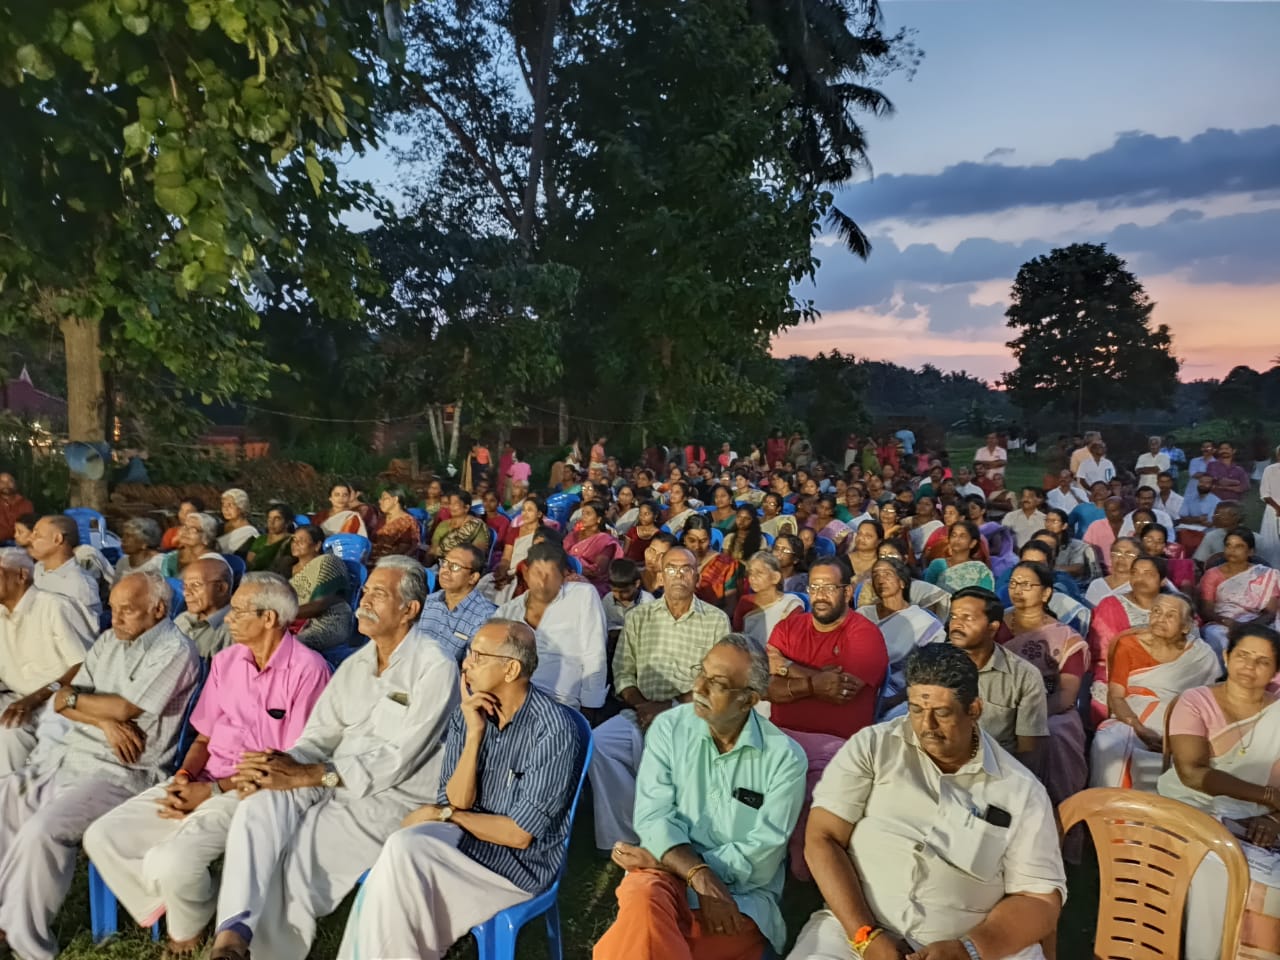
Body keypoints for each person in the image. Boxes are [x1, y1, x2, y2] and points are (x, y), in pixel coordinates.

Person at [205, 557, 459, 960]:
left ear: (409, 610)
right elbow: (321, 734)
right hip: (327, 777)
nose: (365, 600)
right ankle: (232, 936)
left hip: (392, 796)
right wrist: (280, 763)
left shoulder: (435, 667)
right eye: (367, 590)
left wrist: (311, 774)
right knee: (260, 800)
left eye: (380, 593)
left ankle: (273, 953)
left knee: (301, 858)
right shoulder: (359, 662)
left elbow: (402, 758)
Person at [83, 573, 330, 956]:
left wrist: (211, 791)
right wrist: (184, 778)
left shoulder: (307, 670)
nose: (228, 618)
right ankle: (199, 903)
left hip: (253, 792)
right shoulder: (228, 661)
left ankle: (185, 933)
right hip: (204, 778)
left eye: (239, 611)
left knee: (172, 861)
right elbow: (202, 737)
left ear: (269, 619)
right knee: (103, 836)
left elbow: (284, 765)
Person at [790, 642, 1065, 960]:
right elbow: (822, 837)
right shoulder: (873, 747)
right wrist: (866, 936)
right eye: (916, 710)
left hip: (968, 947)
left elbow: (1040, 899)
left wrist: (969, 949)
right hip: (855, 932)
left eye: (942, 713)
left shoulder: (1020, 790)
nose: (926, 726)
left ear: (974, 709)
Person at [337, 619, 586, 959]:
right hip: (465, 842)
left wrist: (446, 816)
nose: (466, 663)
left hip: (515, 866)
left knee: (403, 858)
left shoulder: (554, 730)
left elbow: (519, 835)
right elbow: (457, 799)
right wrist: (473, 734)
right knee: (402, 849)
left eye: (478, 655)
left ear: (511, 669)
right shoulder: (468, 714)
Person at [0, 572, 200, 960]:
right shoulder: (109, 640)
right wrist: (104, 720)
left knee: (43, 830)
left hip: (122, 773)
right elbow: (62, 700)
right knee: (5, 797)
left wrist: (93, 707)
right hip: (71, 757)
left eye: (127, 610)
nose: (115, 619)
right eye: (112, 609)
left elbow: (125, 708)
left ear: (157, 610)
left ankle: (22, 940)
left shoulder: (175, 650)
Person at [595, 634, 804, 960]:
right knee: (644, 899)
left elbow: (761, 858)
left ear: (748, 700)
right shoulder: (668, 727)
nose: (699, 688)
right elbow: (653, 817)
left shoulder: (784, 758)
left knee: (642, 937)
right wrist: (694, 873)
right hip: (665, 879)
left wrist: (676, 865)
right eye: (701, 672)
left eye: (717, 683)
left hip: (739, 894)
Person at [589, 546, 730, 852]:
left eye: (686, 569)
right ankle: (625, 834)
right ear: (660, 575)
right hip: (641, 710)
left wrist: (667, 707)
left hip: (690, 714)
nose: (678, 575)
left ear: (696, 575)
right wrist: (642, 706)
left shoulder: (716, 620)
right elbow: (623, 671)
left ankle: (678, 836)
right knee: (599, 744)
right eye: (671, 569)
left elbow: (716, 681)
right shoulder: (640, 616)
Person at [1158, 625, 1280, 960]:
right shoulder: (1195, 701)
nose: (1249, 667)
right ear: (1226, 656)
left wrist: (1273, 817)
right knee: (1217, 866)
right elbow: (1193, 773)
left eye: (1262, 661)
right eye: (1242, 656)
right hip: (1191, 808)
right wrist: (1268, 797)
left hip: (1257, 816)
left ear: (1275, 671)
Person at [765, 557, 888, 879]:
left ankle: (800, 864)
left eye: (828, 588)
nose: (819, 595)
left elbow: (842, 689)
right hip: (779, 736)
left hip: (835, 744)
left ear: (847, 592)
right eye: (814, 587)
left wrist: (786, 668)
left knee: (811, 791)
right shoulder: (789, 626)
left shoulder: (865, 634)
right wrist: (814, 683)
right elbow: (767, 687)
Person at [1090, 593, 1219, 791]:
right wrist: (1141, 730)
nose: (1160, 619)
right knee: (1108, 743)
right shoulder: (1129, 645)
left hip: (1181, 722)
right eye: (1156, 612)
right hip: (1133, 719)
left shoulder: (1201, 654)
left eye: (1170, 615)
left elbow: (1208, 701)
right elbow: (1116, 695)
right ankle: (1112, 811)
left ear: (1186, 626)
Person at [0, 547, 96, 775]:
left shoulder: (55, 607)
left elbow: (84, 665)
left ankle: (12, 802)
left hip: (57, 701)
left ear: (22, 575)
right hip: (16, 697)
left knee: (9, 731)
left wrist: (36, 697)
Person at [1000, 561, 1090, 804]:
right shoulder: (993, 624)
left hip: (1049, 705)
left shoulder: (1065, 637)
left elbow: (1067, 693)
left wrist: (1031, 715)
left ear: (1046, 593)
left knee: (1054, 735)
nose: (1018, 590)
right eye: (1013, 583)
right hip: (996, 697)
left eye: (1026, 585)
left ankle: (1058, 810)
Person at [946, 586, 1048, 778]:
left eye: (967, 617)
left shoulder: (1024, 676)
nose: (956, 625)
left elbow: (1030, 752)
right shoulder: (934, 664)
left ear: (993, 627)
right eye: (953, 617)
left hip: (995, 775)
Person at [495, 541, 608, 713]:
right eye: (537, 573)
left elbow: (594, 653)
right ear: (525, 572)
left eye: (551, 573)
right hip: (512, 702)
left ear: (563, 575)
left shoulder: (582, 596)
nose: (543, 581)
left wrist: (590, 708)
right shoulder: (507, 612)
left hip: (561, 704)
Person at [858, 557, 945, 716]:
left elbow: (928, 675)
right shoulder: (863, 614)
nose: (880, 579)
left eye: (887, 574)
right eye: (876, 575)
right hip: (857, 686)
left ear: (902, 582)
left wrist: (892, 701)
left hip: (898, 695)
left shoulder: (924, 623)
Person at [1198, 528, 1280, 660]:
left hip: (1257, 622)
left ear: (1251, 551)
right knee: (1216, 635)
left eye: (1239, 546)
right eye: (1228, 545)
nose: (1232, 550)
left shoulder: (1265, 575)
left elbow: (1270, 612)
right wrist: (1229, 623)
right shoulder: (1212, 574)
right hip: (1223, 624)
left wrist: (1247, 627)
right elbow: (1207, 610)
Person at [418, 544, 497, 664]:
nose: (445, 570)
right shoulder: (428, 602)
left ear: (473, 577)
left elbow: (472, 668)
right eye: (444, 563)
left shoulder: (485, 617)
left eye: (454, 566)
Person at [286, 525, 354, 652]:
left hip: (328, 620)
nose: (296, 544)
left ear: (317, 545)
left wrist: (282, 613)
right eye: (294, 540)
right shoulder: (287, 566)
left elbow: (319, 606)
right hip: (293, 620)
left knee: (293, 645)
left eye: (301, 540)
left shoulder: (328, 562)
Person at [28, 514, 102, 626]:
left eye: (37, 535)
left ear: (58, 539)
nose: (30, 539)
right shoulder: (34, 571)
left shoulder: (80, 585)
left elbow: (85, 633)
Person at [731, 551, 804, 648]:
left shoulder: (791, 604)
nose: (752, 578)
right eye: (750, 573)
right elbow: (737, 637)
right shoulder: (745, 601)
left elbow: (794, 641)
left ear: (775, 577)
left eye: (759, 573)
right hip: (750, 657)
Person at [176, 556, 235, 658]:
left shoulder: (234, 630)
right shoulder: (182, 619)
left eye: (195, 585)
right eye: (185, 586)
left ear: (221, 588)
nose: (186, 593)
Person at [682, 514, 741, 612]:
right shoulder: (676, 560)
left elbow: (731, 605)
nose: (697, 546)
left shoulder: (726, 565)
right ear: (684, 539)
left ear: (710, 539)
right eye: (692, 540)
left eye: (703, 541)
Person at [564, 499, 623, 597]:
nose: (583, 517)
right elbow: (561, 557)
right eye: (583, 513)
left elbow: (598, 571)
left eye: (588, 514)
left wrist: (576, 569)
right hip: (569, 579)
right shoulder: (572, 536)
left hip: (594, 586)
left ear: (599, 519)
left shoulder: (605, 541)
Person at [924, 520, 995, 594]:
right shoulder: (937, 564)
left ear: (972, 543)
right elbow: (927, 593)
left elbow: (986, 597)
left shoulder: (980, 569)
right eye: (953, 535)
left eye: (962, 536)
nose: (956, 539)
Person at [427, 488, 489, 566]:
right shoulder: (443, 525)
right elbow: (433, 549)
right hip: (439, 565)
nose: (451, 507)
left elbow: (478, 554)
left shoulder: (476, 526)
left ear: (466, 508)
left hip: (463, 567)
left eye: (456, 504)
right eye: (450, 503)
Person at [160, 511, 222, 580]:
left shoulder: (212, 563)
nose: (185, 531)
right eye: (185, 526)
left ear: (206, 539)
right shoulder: (171, 558)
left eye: (193, 529)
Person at [1084, 536, 1142, 606]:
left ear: (1138, 559)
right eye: (1117, 553)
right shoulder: (1096, 585)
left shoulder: (1140, 588)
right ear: (1111, 556)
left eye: (1128, 554)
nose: (1121, 558)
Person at [371, 485, 422, 564]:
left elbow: (406, 548)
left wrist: (384, 561)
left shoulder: (408, 521)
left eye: (385, 498)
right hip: (372, 560)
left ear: (395, 499)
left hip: (393, 564)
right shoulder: (382, 519)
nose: (380, 501)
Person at [602, 558, 653, 637]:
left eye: (624, 592)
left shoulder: (647, 601)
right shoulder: (608, 599)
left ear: (636, 584)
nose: (619, 596)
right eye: (615, 591)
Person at [244, 504, 295, 575]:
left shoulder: (291, 542)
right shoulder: (261, 539)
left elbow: (282, 568)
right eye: (269, 518)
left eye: (277, 519)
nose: (271, 523)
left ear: (288, 522)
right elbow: (249, 563)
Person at [1082, 496, 1127, 572]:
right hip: (1102, 570)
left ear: (1123, 510)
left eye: (1114, 511)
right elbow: (1086, 548)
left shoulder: (1131, 525)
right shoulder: (1096, 526)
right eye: (1107, 511)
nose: (1110, 514)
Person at [216, 489, 259, 556]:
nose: (225, 509)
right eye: (223, 505)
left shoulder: (250, 533)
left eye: (230, 505)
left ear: (241, 507)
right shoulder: (219, 527)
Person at [1259, 444, 1280, 569]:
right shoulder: (1270, 470)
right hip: (1273, 510)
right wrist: (1277, 508)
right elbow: (1265, 494)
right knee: (1272, 544)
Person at [623, 500, 663, 564]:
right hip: (629, 565)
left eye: (646, 514)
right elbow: (625, 551)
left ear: (655, 516)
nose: (642, 517)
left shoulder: (659, 535)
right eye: (640, 514)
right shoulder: (633, 531)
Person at [0, 473, 33, 544]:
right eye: (2, 482)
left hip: (19, 545)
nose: (6, 484)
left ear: (16, 484)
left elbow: (28, 528)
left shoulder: (26, 504)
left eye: (10, 481)